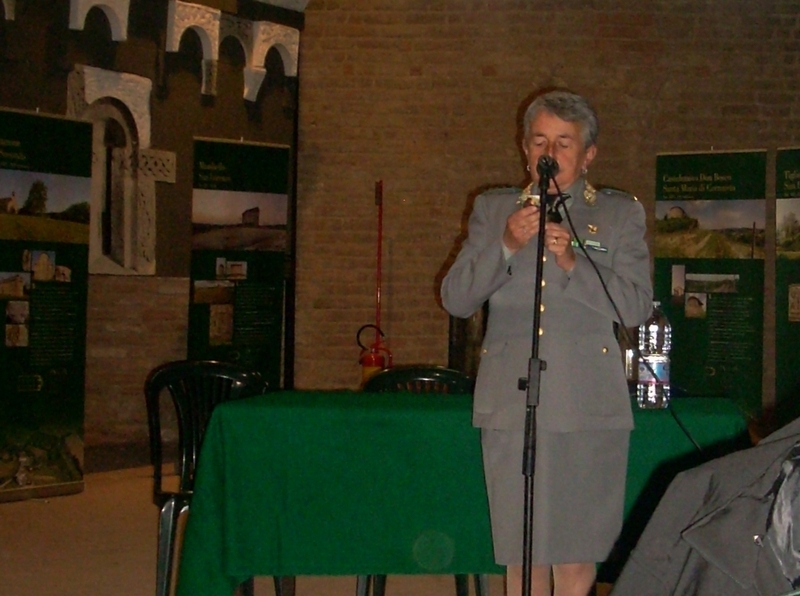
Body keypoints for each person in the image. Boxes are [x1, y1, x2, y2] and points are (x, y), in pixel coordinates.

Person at [440, 90, 653, 596]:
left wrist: (575, 264)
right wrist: (506, 245)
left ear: (588, 154)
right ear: (524, 148)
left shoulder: (620, 216)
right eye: (540, 140)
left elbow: (636, 307)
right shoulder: (495, 210)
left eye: (563, 142)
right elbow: (456, 299)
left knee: (576, 557)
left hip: (587, 405)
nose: (549, 152)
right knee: (523, 555)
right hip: (513, 404)